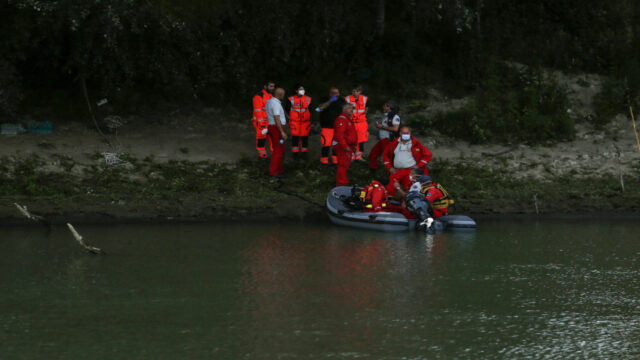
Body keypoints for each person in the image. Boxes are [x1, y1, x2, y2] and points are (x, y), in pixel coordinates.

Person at [382, 126, 433, 196]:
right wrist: (389, 167)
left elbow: (428, 155)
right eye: (404, 133)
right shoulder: (394, 143)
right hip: (397, 171)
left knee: (410, 189)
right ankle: (389, 203)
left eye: (407, 133)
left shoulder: (416, 144)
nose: (406, 134)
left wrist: (419, 165)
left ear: (410, 133)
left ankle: (407, 203)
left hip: (410, 171)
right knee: (391, 188)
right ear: (400, 133)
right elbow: (385, 155)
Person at [316, 87, 345, 165]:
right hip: (326, 126)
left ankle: (335, 161)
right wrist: (330, 101)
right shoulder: (324, 99)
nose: (336, 95)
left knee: (336, 145)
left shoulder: (342, 100)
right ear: (330, 94)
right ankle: (324, 161)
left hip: (338, 127)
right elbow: (319, 109)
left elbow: (346, 111)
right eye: (333, 93)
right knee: (326, 144)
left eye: (337, 93)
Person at [369, 100, 401, 171]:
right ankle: (373, 170)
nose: (383, 107)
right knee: (373, 153)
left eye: (385, 106)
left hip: (388, 140)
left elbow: (395, 129)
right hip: (382, 140)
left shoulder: (395, 116)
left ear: (389, 107)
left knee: (388, 157)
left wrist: (382, 127)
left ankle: (391, 174)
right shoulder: (386, 116)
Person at [265, 87, 288, 179]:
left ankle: (278, 170)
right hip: (277, 128)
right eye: (283, 94)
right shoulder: (276, 104)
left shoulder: (269, 101)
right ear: (280, 95)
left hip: (272, 126)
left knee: (279, 149)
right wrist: (282, 132)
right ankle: (274, 172)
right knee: (278, 150)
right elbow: (277, 118)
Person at [332, 103, 357, 186]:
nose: (351, 109)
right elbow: (339, 135)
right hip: (341, 146)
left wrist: (353, 146)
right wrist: (345, 146)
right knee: (342, 165)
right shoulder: (342, 119)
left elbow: (350, 134)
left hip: (347, 146)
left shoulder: (348, 119)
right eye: (349, 108)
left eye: (352, 108)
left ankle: (343, 182)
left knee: (345, 165)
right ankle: (341, 184)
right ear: (344, 109)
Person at [344, 85, 368, 160]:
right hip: (351, 122)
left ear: (360, 91)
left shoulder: (365, 99)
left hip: (362, 123)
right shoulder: (347, 99)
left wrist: (362, 117)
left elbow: (366, 109)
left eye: (357, 91)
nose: (355, 93)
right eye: (353, 91)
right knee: (350, 139)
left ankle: (359, 156)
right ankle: (351, 156)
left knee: (361, 140)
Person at [252, 81, 275, 158]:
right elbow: (258, 110)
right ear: (265, 87)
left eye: (273, 86)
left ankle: (274, 153)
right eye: (270, 86)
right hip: (260, 121)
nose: (272, 88)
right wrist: (261, 122)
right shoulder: (259, 96)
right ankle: (262, 155)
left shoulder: (271, 96)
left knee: (272, 137)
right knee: (261, 137)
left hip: (270, 120)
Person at [288, 84, 312, 156]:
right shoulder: (290, 99)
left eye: (303, 89)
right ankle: (295, 155)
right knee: (295, 137)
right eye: (300, 89)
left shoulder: (308, 99)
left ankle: (304, 154)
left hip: (305, 122)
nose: (302, 91)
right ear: (296, 91)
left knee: (305, 137)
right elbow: (286, 110)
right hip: (294, 122)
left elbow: (311, 110)